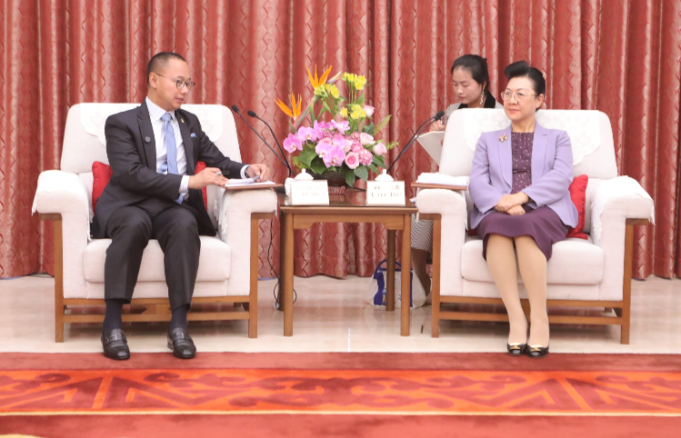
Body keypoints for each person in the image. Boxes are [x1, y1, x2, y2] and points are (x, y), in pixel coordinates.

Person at [92, 52, 270, 360]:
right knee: (133, 225)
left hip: (172, 207)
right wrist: (190, 182)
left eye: (189, 83)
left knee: (185, 224)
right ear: (154, 80)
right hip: (130, 203)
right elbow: (130, 174)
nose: (185, 90)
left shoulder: (189, 122)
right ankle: (112, 324)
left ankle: (178, 326)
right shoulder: (121, 123)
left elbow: (218, 160)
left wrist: (246, 170)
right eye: (178, 82)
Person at [468, 61, 578, 358]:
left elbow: (561, 177)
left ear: (539, 100)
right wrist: (501, 202)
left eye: (520, 94)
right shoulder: (488, 140)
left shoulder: (558, 138)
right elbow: (477, 182)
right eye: (507, 93)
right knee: (496, 226)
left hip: (545, 208)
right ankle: (516, 318)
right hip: (499, 208)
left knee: (526, 226)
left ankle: (540, 318)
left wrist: (520, 198)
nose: (511, 100)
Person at [412, 54, 503, 298]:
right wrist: (439, 138)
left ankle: (447, 285)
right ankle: (422, 281)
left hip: (489, 184)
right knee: (420, 212)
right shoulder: (452, 112)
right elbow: (447, 159)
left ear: (483, 84)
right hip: (454, 181)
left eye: (465, 84)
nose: (459, 91)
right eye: (455, 84)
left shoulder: (500, 113)